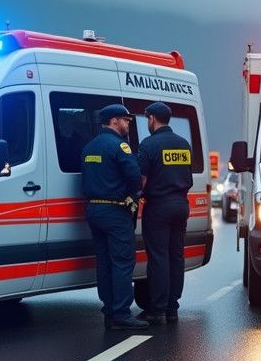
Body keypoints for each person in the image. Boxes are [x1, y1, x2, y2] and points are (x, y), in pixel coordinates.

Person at [81, 103, 148, 330]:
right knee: (122, 262)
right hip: (115, 211)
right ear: (113, 121)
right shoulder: (120, 146)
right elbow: (134, 176)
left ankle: (109, 310)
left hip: (93, 210)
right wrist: (133, 195)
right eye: (125, 119)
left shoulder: (89, 147)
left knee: (104, 262)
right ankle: (121, 313)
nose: (128, 123)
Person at [135, 101, 194, 324]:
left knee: (158, 257)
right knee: (176, 256)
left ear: (152, 118)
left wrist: (136, 193)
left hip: (158, 206)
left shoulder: (149, 144)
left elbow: (142, 178)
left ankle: (157, 309)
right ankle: (172, 306)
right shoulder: (183, 144)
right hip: (181, 204)